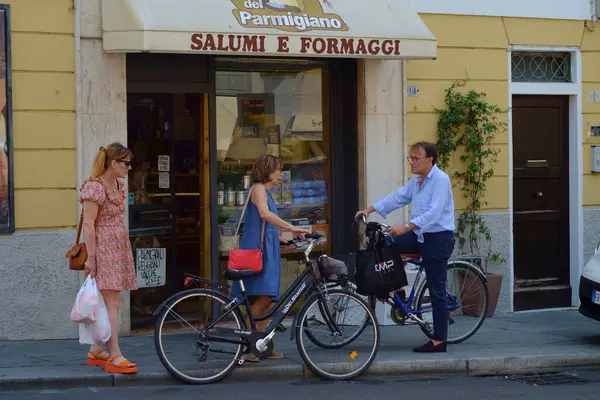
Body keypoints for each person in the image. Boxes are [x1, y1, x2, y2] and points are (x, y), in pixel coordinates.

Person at [356, 141, 455, 353]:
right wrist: (369, 209)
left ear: (430, 159)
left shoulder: (440, 180)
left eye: (416, 158)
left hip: (438, 238)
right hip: (419, 234)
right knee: (385, 242)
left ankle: (439, 341)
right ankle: (398, 289)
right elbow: (398, 197)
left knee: (437, 290)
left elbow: (434, 213)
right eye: (410, 157)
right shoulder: (417, 180)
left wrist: (406, 227)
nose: (411, 161)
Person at [230, 155, 310, 362]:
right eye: (277, 170)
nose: (280, 174)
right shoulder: (258, 188)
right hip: (259, 251)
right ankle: (247, 347)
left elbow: (264, 223)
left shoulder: (266, 191)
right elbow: (264, 215)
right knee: (263, 298)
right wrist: (290, 227)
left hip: (267, 248)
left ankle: (261, 346)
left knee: (266, 300)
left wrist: (280, 237)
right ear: (267, 170)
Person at [80, 142, 138, 373]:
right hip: (104, 248)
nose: (129, 167)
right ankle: (114, 354)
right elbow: (88, 225)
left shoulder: (117, 184)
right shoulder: (95, 187)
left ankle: (96, 350)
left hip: (117, 246)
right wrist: (91, 259)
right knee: (112, 302)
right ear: (113, 163)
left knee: (111, 301)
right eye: (126, 163)